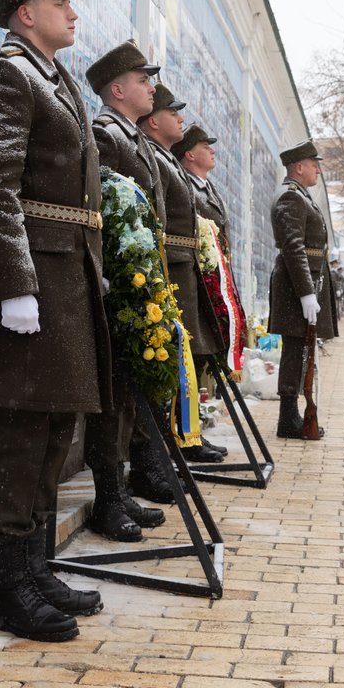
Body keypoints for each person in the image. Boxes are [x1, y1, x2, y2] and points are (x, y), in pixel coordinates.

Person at [0, 0, 104, 641]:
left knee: (51, 429)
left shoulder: (56, 81)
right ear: (26, 12)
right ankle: (11, 587)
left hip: (66, 282)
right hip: (32, 285)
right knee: (19, 430)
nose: (72, 13)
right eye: (60, 2)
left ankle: (35, 566)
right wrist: (15, 286)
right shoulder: (4, 76)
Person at [83, 41, 175, 535]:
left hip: (138, 283)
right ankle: (107, 497)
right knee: (111, 394)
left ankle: (118, 490)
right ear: (118, 89)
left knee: (123, 394)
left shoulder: (132, 137)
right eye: (144, 81)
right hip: (118, 285)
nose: (152, 87)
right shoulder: (105, 133)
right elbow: (102, 206)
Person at [141, 84, 228, 465]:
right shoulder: (155, 157)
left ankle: (184, 435)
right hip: (174, 270)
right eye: (172, 112)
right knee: (179, 358)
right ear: (154, 119)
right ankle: (175, 441)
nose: (180, 118)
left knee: (189, 359)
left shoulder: (166, 159)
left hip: (188, 270)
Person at [270, 140, 337, 439]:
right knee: (295, 351)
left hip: (304, 284)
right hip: (295, 287)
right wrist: (306, 293)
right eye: (314, 164)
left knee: (301, 352)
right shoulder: (290, 197)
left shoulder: (301, 196)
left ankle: (293, 415)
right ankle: (288, 418)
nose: (318, 170)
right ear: (299, 167)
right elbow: (294, 248)